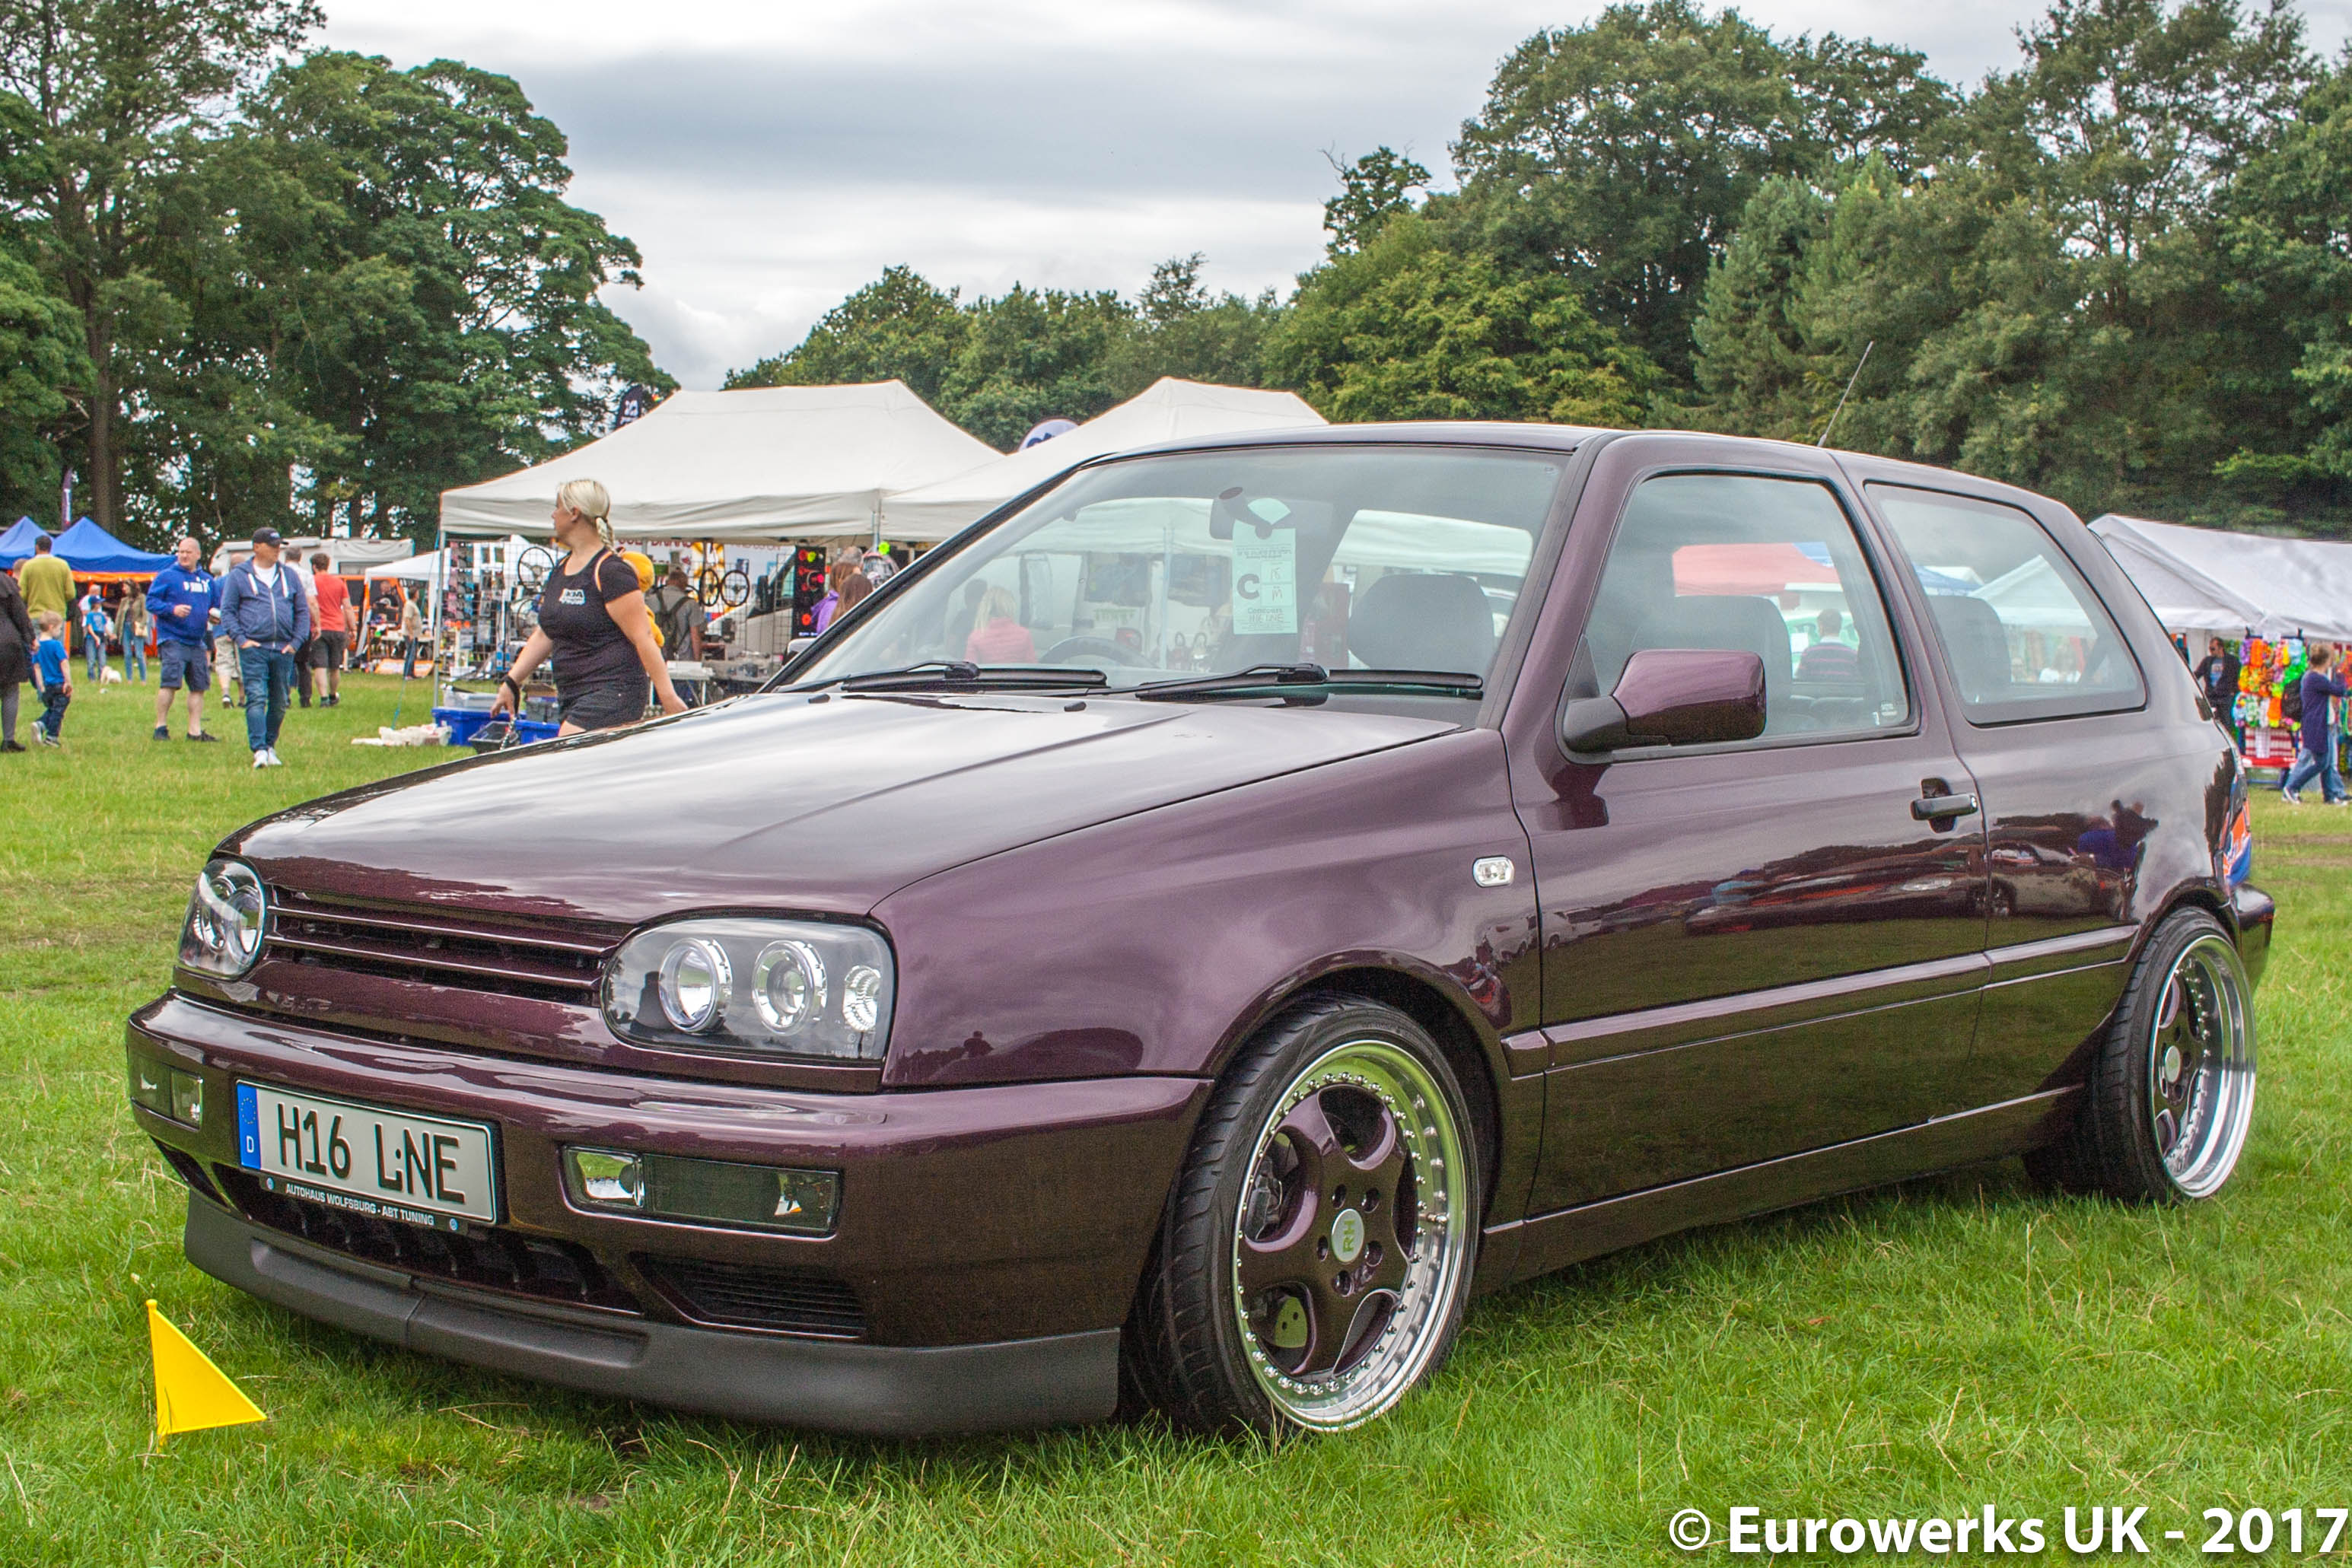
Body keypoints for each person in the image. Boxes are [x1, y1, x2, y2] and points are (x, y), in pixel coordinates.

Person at [489, 479, 686, 735]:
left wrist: (668, 697)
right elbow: (545, 634)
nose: (553, 515)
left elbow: (643, 637)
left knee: (567, 743)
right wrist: (511, 682)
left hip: (615, 692)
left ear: (574, 513)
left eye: (557, 507)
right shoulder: (561, 569)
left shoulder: (611, 571)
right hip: (572, 695)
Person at [218, 526, 310, 768]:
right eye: (272, 546)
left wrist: (296, 642)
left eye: (279, 546)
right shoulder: (239, 576)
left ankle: (270, 745)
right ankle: (259, 749)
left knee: (280, 701)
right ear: (257, 547)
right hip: (254, 648)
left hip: (283, 649)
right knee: (256, 697)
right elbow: (228, 611)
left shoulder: (289, 576)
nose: (277, 550)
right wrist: (242, 640)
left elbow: (302, 610)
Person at [148, 536, 220, 742]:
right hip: (172, 638)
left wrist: (214, 616)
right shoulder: (167, 576)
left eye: (188, 552)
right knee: (170, 682)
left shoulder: (207, 581)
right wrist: (172, 609)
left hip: (197, 640)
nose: (184, 556)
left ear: (198, 554)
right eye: (181, 552)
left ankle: (194, 731)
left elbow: (215, 606)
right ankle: (160, 727)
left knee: (199, 686)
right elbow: (151, 602)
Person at [2281, 644, 2349, 806]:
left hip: (2317, 724)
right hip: (2315, 725)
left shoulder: (2312, 677)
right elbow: (2340, 690)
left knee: (2326, 761)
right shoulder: (2316, 678)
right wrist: (2341, 675)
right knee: (2322, 762)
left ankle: (2330, 795)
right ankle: (2292, 787)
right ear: (2327, 660)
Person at [0, 562, 33, 752]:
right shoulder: (6, 582)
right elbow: (20, 614)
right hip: (7, 641)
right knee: (10, 690)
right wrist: (30, 637)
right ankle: (8, 740)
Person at [309, 552, 349, 706]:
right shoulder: (339, 583)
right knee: (335, 667)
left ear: (314, 567)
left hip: (319, 627)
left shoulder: (312, 581)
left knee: (320, 666)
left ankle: (324, 698)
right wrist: (352, 628)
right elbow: (347, 607)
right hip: (337, 627)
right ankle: (333, 695)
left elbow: (310, 604)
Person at [964, 586, 1035, 663]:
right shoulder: (1024, 635)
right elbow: (1032, 667)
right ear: (1009, 606)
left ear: (985, 608)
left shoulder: (976, 637)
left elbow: (969, 668)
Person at [30, 610, 69, 747]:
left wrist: (40, 685)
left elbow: (36, 667)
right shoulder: (56, 645)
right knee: (58, 711)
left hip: (47, 685)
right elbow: (64, 663)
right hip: (59, 683)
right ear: (51, 627)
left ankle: (40, 724)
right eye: (59, 628)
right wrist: (68, 682)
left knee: (53, 708)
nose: (60, 631)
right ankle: (51, 736)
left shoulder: (38, 646)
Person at [647, 565, 702, 660]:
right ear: (684, 584)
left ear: (668, 582)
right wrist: (698, 661)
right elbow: (695, 636)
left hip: (655, 657)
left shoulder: (650, 600)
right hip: (682, 659)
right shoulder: (691, 604)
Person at [17, 536, 72, 628]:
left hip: (36, 615)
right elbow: (71, 593)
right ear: (50, 547)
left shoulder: (28, 566)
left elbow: (22, 593)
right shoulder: (63, 565)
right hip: (57, 615)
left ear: (36, 547)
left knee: (37, 638)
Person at [1795, 606, 1858, 682]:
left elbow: (1800, 681)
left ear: (1821, 627)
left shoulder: (1808, 653)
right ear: (1840, 626)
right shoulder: (1853, 655)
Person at [2194, 636, 2241, 728]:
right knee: (2211, 722)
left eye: (2213, 649)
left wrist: (2234, 691)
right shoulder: (2207, 661)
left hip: (2225, 696)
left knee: (2226, 723)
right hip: (2211, 696)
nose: (2211, 651)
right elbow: (2198, 674)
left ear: (2221, 648)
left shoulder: (2232, 661)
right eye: (2210, 649)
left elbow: (2238, 676)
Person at [78, 587, 111, 681]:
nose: (100, 604)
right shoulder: (90, 614)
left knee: (102, 658)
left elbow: (104, 626)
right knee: (91, 658)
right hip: (92, 637)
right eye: (99, 603)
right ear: (94, 604)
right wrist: (95, 637)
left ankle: (101, 677)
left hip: (101, 636)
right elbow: (89, 626)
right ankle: (92, 677)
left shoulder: (101, 615)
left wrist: (110, 635)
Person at [118, 587, 149, 682]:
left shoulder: (142, 598)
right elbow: (119, 616)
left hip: (137, 626)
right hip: (126, 627)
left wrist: (142, 624)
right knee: (127, 654)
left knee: (139, 654)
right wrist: (116, 631)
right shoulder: (124, 600)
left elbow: (145, 613)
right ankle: (129, 679)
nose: (124, 589)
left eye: (126, 587)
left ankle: (143, 679)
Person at [399, 593, 424, 680]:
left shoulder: (413, 604)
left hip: (414, 633)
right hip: (410, 633)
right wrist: (411, 633)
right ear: (415, 594)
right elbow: (407, 619)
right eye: (417, 593)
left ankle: (411, 673)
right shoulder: (409, 605)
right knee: (411, 653)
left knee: (413, 653)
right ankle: (407, 674)